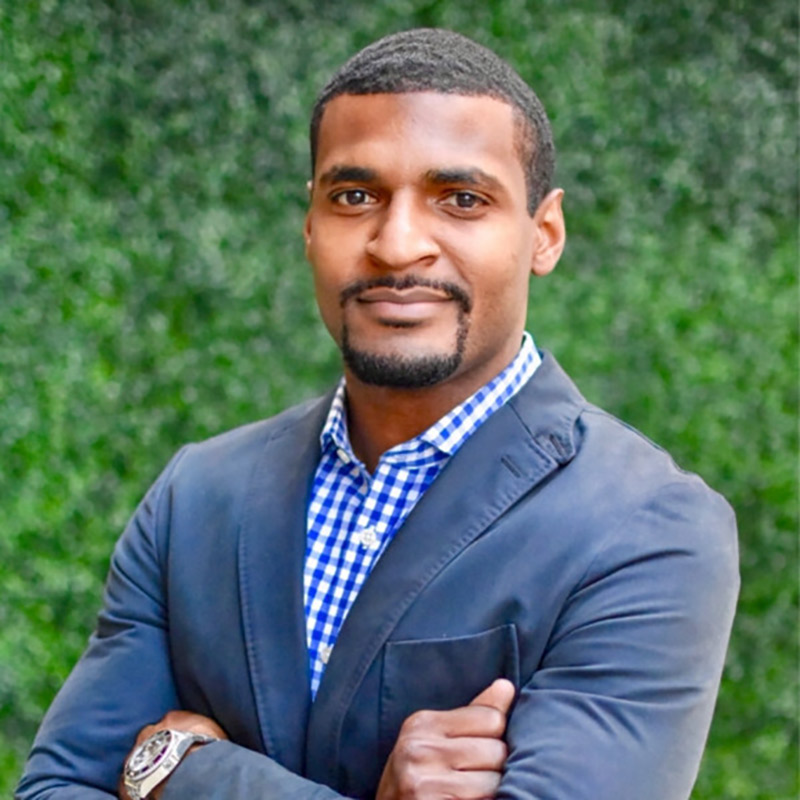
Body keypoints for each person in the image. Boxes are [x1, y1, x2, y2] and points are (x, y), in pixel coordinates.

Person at [17, 28, 739, 800]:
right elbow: (56, 788)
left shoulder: (647, 529)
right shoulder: (197, 499)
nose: (397, 246)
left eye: (461, 200)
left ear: (544, 234)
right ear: (309, 223)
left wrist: (186, 771)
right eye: (355, 197)